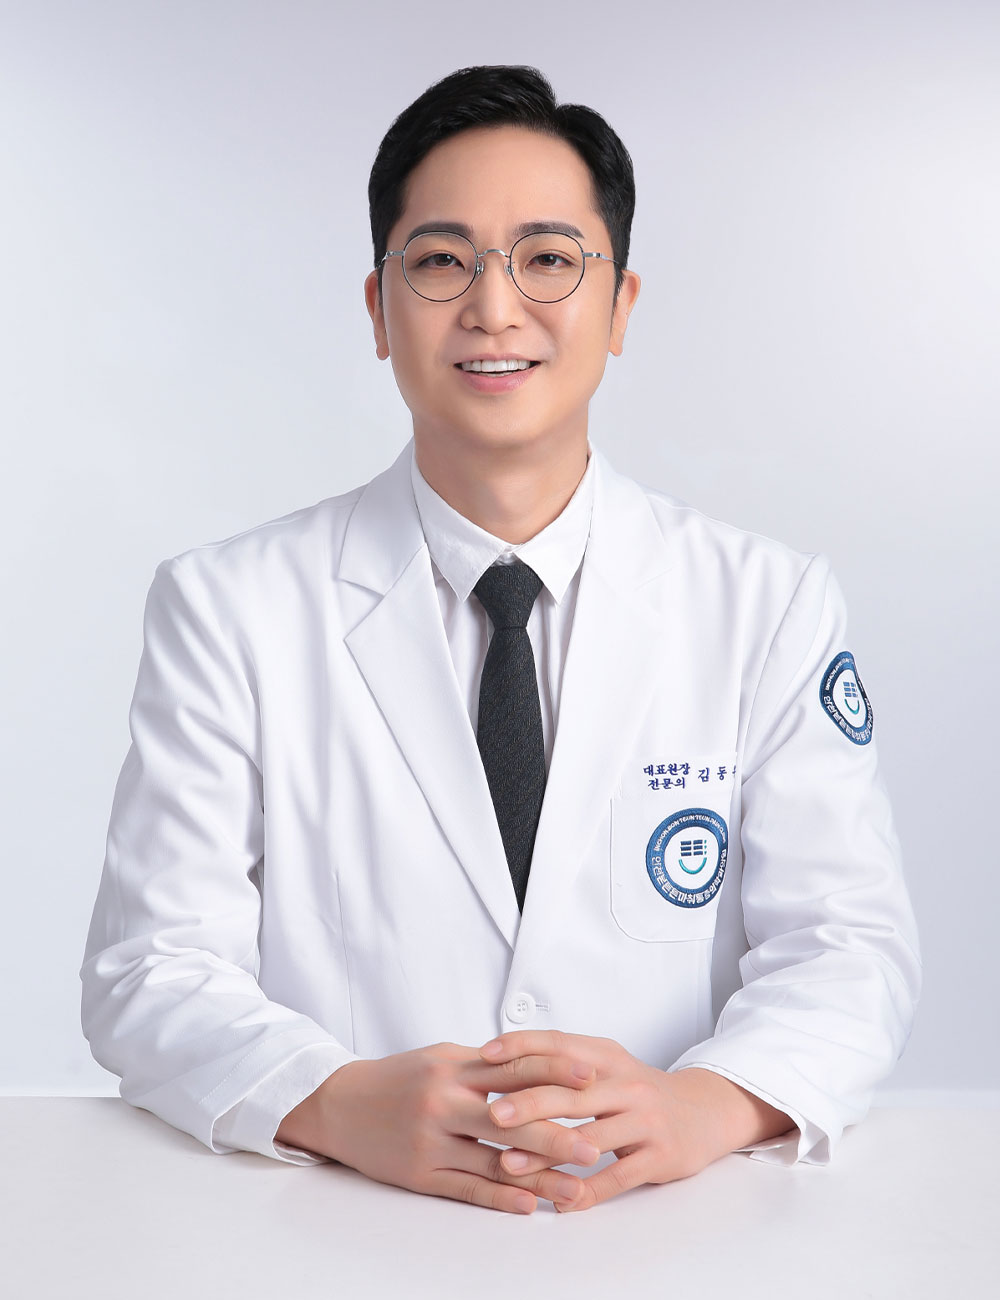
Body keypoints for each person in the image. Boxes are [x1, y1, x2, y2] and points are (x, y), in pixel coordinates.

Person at [81, 65, 921, 1218]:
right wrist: (333, 1100)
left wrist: (708, 1104)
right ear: (377, 309)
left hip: (675, 1237)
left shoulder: (764, 605)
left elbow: (846, 944)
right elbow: (149, 965)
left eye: (547, 258)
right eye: (441, 261)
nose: (492, 307)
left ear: (618, 308)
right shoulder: (228, 607)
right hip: (337, 1233)